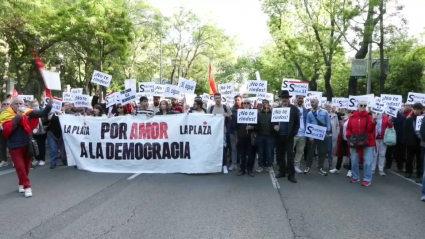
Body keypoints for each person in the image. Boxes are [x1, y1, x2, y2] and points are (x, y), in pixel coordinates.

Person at [0, 97, 52, 197]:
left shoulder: (27, 113)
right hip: (14, 146)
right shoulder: (5, 115)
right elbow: (7, 130)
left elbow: (42, 113)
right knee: (20, 167)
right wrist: (17, 118)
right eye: (17, 104)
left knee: (27, 167)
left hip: (27, 145)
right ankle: (27, 187)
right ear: (12, 106)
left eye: (21, 104)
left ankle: (21, 184)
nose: (19, 106)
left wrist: (49, 106)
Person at [346, 100, 376, 187]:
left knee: (368, 162)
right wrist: (348, 135)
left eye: (364, 105)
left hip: (367, 142)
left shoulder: (369, 117)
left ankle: (367, 179)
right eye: (361, 105)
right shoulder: (352, 117)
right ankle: (355, 176)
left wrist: (373, 123)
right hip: (354, 141)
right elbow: (349, 128)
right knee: (354, 161)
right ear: (358, 106)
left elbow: (370, 130)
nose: (363, 107)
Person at [272, 90, 300, 183]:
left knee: (290, 156)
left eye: (286, 98)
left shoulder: (294, 109)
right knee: (280, 156)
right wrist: (274, 126)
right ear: (280, 98)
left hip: (289, 137)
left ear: (288, 99)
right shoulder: (276, 109)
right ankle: (282, 171)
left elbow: (297, 124)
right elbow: (272, 122)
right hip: (279, 136)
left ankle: (291, 175)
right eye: (283, 97)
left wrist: (292, 134)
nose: (284, 99)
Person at [304, 98, 331, 176]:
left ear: (318, 102)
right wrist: (309, 136)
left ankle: (320, 168)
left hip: (322, 135)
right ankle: (308, 167)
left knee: (322, 152)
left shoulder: (325, 112)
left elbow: (328, 123)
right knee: (310, 152)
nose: (312, 103)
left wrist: (327, 132)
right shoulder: (309, 113)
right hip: (312, 135)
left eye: (313, 102)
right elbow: (307, 124)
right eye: (311, 102)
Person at [209, 93, 232, 173]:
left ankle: (224, 165)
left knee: (224, 149)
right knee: (213, 148)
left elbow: (231, 118)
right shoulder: (211, 108)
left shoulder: (226, 107)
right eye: (216, 98)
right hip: (213, 133)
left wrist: (228, 116)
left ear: (221, 99)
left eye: (219, 98)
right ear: (214, 99)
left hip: (223, 132)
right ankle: (214, 165)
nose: (217, 99)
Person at [235, 98, 256, 177]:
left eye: (248, 103)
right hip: (242, 138)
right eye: (245, 103)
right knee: (242, 155)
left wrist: (253, 127)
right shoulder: (239, 113)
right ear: (243, 104)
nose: (246, 104)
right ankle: (242, 169)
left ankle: (250, 170)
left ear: (250, 105)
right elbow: (236, 127)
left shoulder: (254, 113)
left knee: (250, 155)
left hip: (251, 138)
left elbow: (258, 125)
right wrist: (237, 138)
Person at [403, 103, 423, 179]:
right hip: (411, 142)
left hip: (420, 142)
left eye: (418, 109)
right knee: (409, 158)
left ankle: (419, 173)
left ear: (421, 110)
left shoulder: (423, 119)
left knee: (419, 159)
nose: (416, 111)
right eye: (415, 109)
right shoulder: (409, 120)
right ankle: (408, 172)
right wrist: (406, 141)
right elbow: (405, 131)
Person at [330, 110, 352, 177]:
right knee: (340, 154)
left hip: (350, 140)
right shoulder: (345, 120)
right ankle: (337, 168)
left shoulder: (353, 120)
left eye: (351, 112)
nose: (349, 114)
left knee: (351, 155)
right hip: (343, 139)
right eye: (349, 112)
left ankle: (350, 170)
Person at [256, 99, 274, 172]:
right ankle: (261, 165)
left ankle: (269, 166)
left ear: (268, 104)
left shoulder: (272, 113)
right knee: (261, 152)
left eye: (266, 103)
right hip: (260, 135)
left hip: (269, 135)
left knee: (268, 152)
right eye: (263, 103)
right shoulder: (259, 113)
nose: (265, 104)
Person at [30, 100, 48, 166]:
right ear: (31, 106)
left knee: (41, 145)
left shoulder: (43, 112)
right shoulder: (30, 113)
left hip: (42, 131)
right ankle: (37, 158)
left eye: (37, 105)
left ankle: (42, 159)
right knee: (35, 146)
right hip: (33, 132)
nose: (36, 107)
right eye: (34, 106)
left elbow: (46, 121)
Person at [293, 95, 307, 174]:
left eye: (302, 98)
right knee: (290, 151)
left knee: (300, 151)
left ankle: (296, 165)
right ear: (296, 99)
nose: (301, 100)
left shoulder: (305, 110)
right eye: (299, 98)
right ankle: (289, 165)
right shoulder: (293, 108)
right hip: (294, 134)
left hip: (303, 134)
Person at [229, 95, 243, 171]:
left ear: (241, 100)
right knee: (233, 149)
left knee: (242, 149)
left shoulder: (245, 108)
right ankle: (234, 164)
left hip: (242, 132)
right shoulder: (231, 109)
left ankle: (241, 164)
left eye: (238, 100)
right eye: (235, 100)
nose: (237, 101)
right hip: (233, 132)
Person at [326, 104, 340, 168]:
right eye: (327, 107)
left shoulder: (335, 116)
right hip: (325, 135)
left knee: (330, 150)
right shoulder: (323, 114)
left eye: (329, 107)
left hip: (332, 135)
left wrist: (337, 132)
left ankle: (330, 163)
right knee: (324, 149)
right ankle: (320, 163)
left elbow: (337, 125)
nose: (328, 108)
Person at [0, 99, 11, 167]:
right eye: (4, 104)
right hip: (1, 132)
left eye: (8, 104)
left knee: (11, 146)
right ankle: (3, 160)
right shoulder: (0, 112)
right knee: (2, 146)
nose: (6, 105)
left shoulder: (13, 112)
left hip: (10, 131)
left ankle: (14, 161)